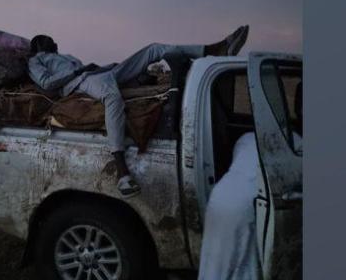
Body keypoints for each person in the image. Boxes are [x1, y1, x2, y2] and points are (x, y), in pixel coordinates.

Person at [27, 25, 250, 197]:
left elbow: (87, 69)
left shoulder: (66, 57)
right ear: (38, 44)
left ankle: (214, 50)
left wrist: (108, 67)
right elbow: (47, 83)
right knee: (113, 98)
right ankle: (122, 170)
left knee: (154, 49)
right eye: (48, 39)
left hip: (98, 74)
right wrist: (79, 72)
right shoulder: (36, 60)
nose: (54, 41)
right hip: (81, 83)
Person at [188, 132, 282, 280]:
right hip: (245, 210)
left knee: (214, 274)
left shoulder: (246, 137)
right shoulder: (295, 146)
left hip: (220, 199)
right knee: (244, 279)